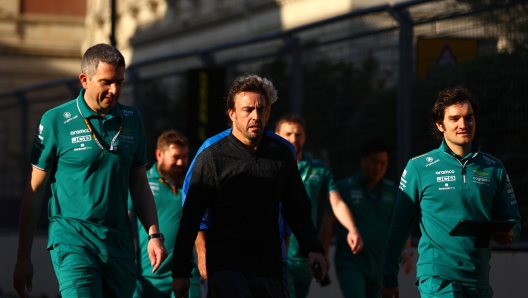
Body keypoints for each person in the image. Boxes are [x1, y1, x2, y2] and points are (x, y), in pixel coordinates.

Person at [12, 43, 167, 298]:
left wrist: (154, 235)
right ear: (84, 80)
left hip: (118, 242)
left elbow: (139, 184)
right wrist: (22, 258)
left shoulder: (133, 119)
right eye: (106, 82)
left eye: (120, 82)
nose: (114, 90)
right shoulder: (56, 120)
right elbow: (35, 190)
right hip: (73, 239)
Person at [171, 74, 327, 298]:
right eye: (247, 110)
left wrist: (314, 248)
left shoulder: (281, 153)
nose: (255, 116)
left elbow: (297, 206)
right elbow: (191, 216)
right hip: (227, 267)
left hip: (270, 267)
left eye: (260, 109)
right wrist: (181, 272)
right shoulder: (212, 156)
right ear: (232, 114)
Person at [381, 86, 521, 298]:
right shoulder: (419, 167)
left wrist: (511, 233)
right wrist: (389, 278)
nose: (463, 125)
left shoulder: (494, 167)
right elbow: (399, 227)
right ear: (440, 125)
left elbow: (514, 220)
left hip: (479, 281)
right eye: (455, 119)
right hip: (438, 280)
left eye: (469, 117)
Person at [274, 114, 363, 298]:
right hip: (279, 254)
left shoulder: (319, 169)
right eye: (288, 133)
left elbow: (336, 201)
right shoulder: (271, 166)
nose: (293, 139)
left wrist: (352, 228)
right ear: (277, 135)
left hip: (307, 255)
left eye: (298, 134)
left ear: (305, 136)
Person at [319, 138, 413, 298]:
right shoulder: (343, 187)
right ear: (363, 159)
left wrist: (407, 250)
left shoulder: (393, 191)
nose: (378, 167)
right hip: (351, 263)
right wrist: (323, 255)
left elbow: (401, 224)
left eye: (383, 163)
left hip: (381, 264)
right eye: (373, 161)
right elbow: (328, 223)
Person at [128, 130, 201, 297]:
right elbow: (123, 221)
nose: (181, 162)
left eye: (185, 156)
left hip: (186, 276)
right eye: (175, 157)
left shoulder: (192, 185)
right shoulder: (142, 183)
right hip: (149, 277)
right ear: (159, 154)